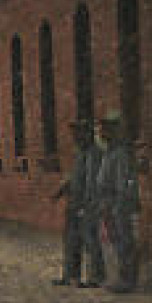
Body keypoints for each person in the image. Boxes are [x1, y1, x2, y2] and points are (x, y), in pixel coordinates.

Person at [52, 119, 104, 288]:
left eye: (79, 133)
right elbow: (74, 175)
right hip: (74, 203)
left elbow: (91, 183)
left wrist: (85, 205)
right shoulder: (80, 152)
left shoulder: (94, 153)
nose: (75, 137)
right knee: (71, 240)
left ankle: (95, 277)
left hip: (86, 204)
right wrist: (61, 190)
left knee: (90, 240)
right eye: (74, 134)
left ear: (88, 134)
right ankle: (70, 275)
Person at [95, 111, 140, 293]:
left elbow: (123, 183)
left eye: (106, 129)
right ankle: (121, 277)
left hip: (118, 204)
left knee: (124, 241)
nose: (101, 133)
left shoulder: (120, 153)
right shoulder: (109, 152)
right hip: (110, 202)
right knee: (115, 240)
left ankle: (127, 280)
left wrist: (116, 206)